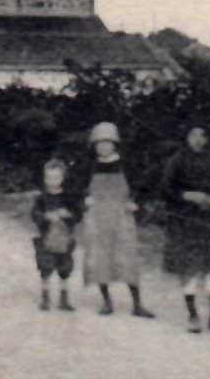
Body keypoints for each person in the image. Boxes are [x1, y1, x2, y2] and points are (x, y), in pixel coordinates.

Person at [161, 126, 210, 334]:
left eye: (203, 135)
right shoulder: (176, 161)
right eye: (194, 135)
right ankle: (193, 316)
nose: (198, 140)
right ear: (187, 137)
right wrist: (187, 196)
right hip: (185, 221)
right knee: (189, 268)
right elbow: (166, 189)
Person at [80, 122, 152, 318]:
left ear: (115, 144)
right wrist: (84, 199)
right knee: (100, 258)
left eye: (107, 142)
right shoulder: (89, 166)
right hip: (97, 217)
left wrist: (135, 203)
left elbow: (143, 186)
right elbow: (76, 188)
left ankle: (137, 304)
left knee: (128, 258)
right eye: (99, 143)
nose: (103, 147)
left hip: (122, 217)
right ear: (94, 146)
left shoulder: (127, 164)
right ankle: (107, 302)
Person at [31, 158, 82, 312]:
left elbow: (78, 215)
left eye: (56, 177)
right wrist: (46, 216)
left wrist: (67, 215)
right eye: (49, 177)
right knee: (45, 268)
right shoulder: (41, 198)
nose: (52, 181)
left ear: (62, 178)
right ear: (45, 178)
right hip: (46, 238)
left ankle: (63, 299)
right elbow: (34, 214)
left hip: (65, 239)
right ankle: (45, 297)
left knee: (65, 269)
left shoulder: (68, 197)